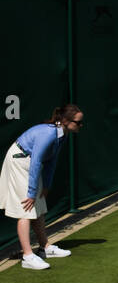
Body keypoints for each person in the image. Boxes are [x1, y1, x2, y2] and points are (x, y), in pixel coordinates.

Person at [0, 104, 84, 269]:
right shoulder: (48, 134)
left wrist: (46, 185)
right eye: (78, 122)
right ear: (66, 121)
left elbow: (51, 161)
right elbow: (37, 161)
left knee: (38, 205)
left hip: (29, 163)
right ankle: (27, 257)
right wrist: (31, 191)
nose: (81, 125)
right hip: (19, 161)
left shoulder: (62, 134)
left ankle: (45, 248)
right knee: (25, 207)